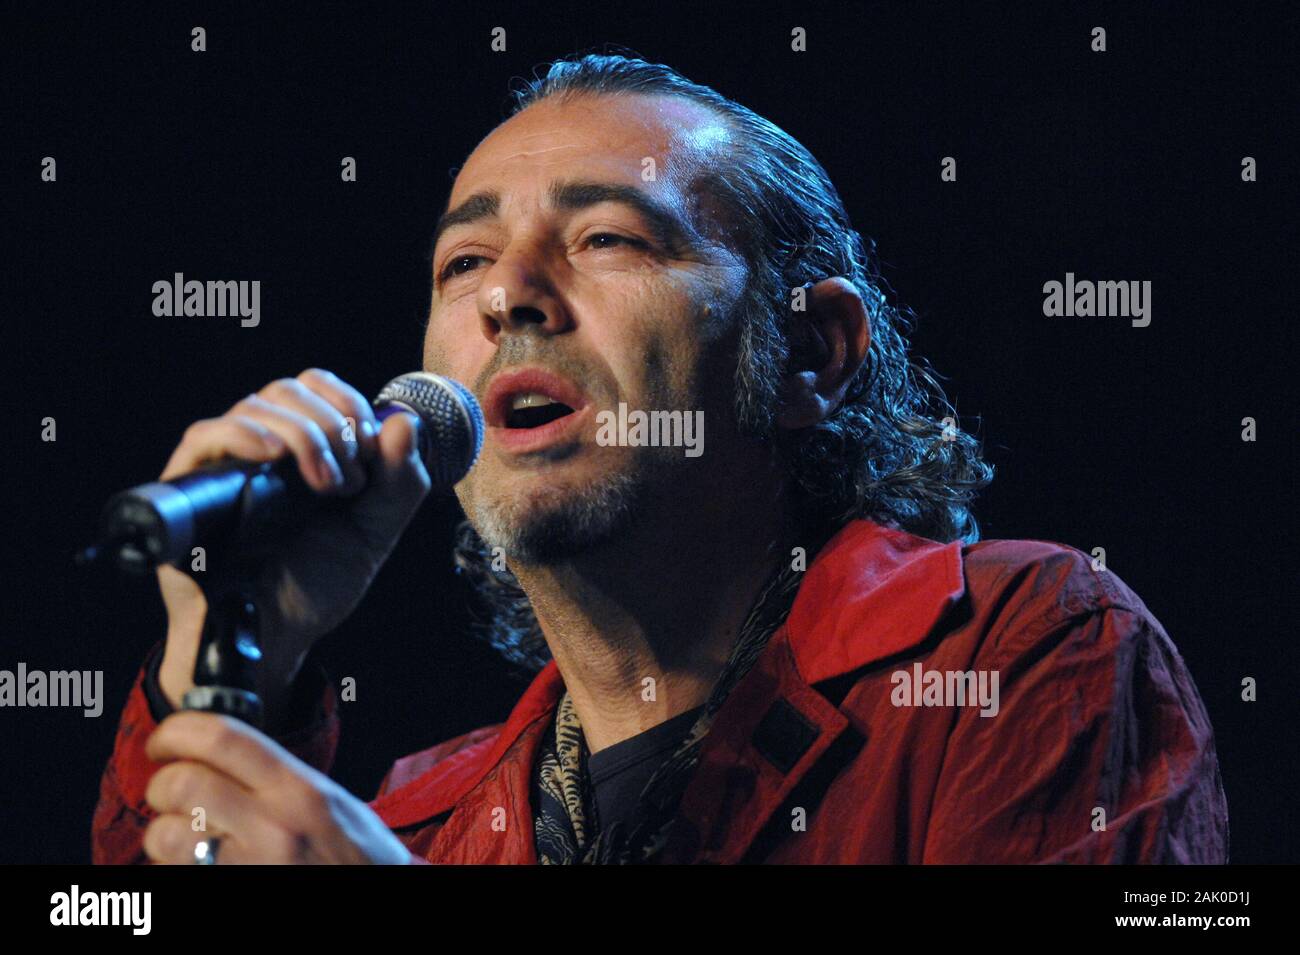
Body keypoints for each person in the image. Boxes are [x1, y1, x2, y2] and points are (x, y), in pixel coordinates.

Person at [92, 53, 1228, 865]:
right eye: (463, 260)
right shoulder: (420, 821)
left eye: (607, 238)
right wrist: (234, 646)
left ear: (811, 355)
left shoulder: (1022, 654)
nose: (508, 294)